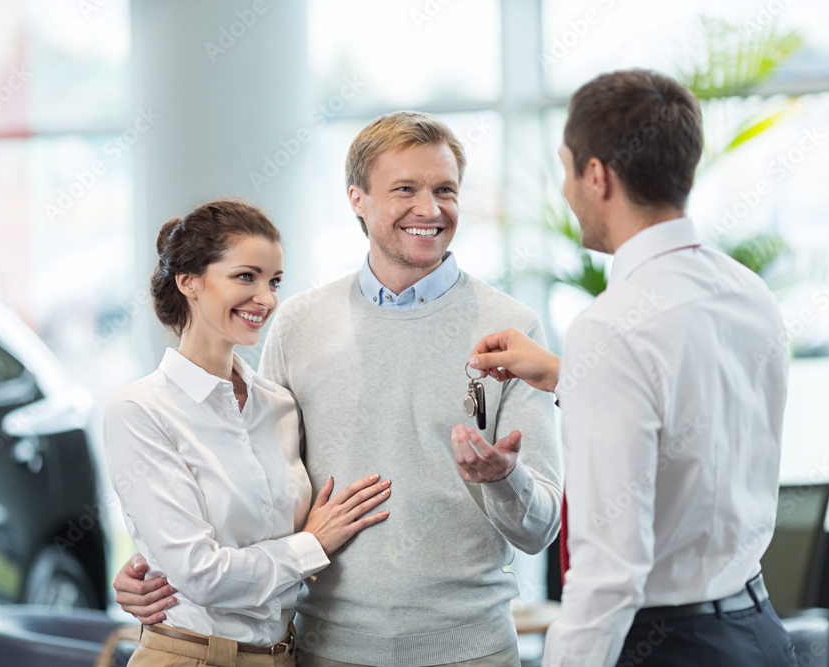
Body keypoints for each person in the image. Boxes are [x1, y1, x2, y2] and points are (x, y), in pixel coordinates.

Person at [113, 112, 563, 666]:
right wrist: (161, 562)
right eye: (405, 189)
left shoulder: (513, 330)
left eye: (445, 190)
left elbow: (540, 529)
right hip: (328, 652)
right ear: (357, 199)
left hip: (471, 651)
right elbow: (256, 490)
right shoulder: (298, 325)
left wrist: (504, 479)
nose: (430, 209)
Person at [469, 70, 795, 666]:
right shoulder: (747, 293)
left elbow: (609, 572)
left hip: (668, 647)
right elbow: (698, 410)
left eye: (566, 168)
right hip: (759, 632)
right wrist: (570, 374)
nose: (565, 189)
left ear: (597, 176)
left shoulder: (612, 326)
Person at [104, 198, 392, 667]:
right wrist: (312, 545)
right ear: (189, 281)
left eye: (274, 281)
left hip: (283, 656)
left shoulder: (278, 405)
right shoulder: (140, 410)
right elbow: (200, 575)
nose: (267, 298)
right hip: (190, 656)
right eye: (246, 276)